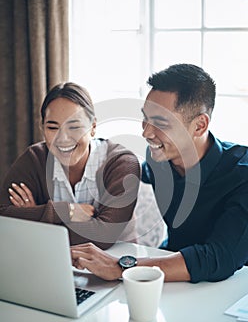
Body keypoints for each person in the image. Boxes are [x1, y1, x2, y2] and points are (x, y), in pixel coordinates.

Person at [71, 63, 248, 282]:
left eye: (160, 123)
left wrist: (122, 267)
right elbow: (129, 172)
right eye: (146, 118)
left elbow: (218, 258)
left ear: (199, 126)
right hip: (168, 280)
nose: (146, 132)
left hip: (231, 290)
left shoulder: (242, 175)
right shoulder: (159, 161)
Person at [0, 82, 140, 249]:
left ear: (93, 127)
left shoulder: (121, 163)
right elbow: (4, 219)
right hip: (51, 260)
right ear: (42, 127)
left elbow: (104, 236)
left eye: (74, 127)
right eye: (52, 127)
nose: (63, 138)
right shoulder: (34, 159)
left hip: (117, 261)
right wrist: (66, 211)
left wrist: (36, 219)